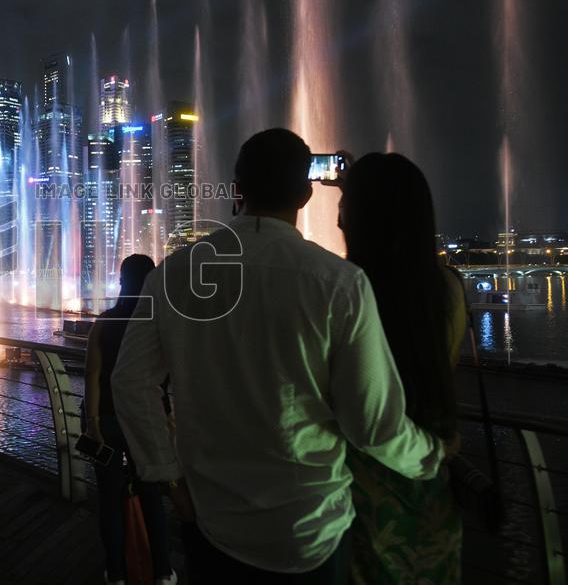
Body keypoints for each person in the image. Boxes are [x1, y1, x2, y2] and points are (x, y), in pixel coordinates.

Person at [111, 129, 453, 584]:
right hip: (310, 530)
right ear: (307, 194)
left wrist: (169, 478)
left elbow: (129, 381)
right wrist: (432, 455)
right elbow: (372, 425)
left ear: (236, 191)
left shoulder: (173, 274)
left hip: (211, 520)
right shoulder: (339, 283)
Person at [338, 153, 464, 584]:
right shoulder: (447, 289)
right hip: (431, 492)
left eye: (345, 207)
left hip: (357, 492)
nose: (337, 218)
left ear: (360, 218)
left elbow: (363, 415)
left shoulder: (344, 293)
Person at [83, 254, 176, 585]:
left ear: (121, 282)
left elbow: (93, 376)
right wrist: (169, 418)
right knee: (151, 494)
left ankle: (116, 572)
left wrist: (93, 423)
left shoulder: (104, 322)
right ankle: (163, 570)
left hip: (105, 420)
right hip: (146, 420)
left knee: (108, 498)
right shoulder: (159, 323)